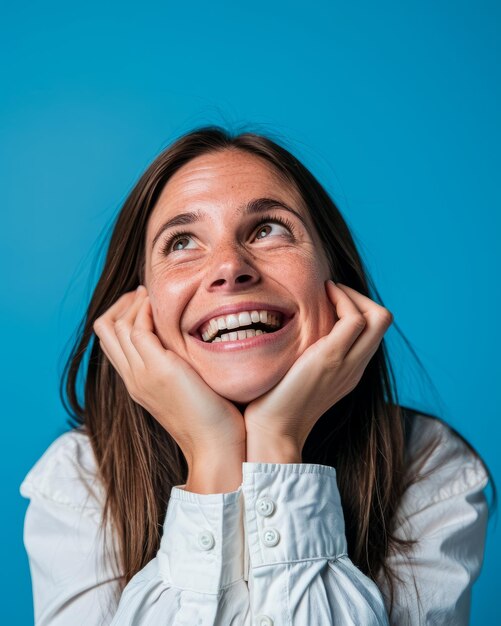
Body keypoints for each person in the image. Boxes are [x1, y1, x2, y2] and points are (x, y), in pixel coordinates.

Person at [20, 125, 495, 625]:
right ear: (140, 310)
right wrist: (211, 453)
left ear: (335, 277)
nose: (229, 267)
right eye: (182, 241)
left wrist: (278, 443)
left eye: (268, 229)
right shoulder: (77, 483)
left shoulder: (429, 468)